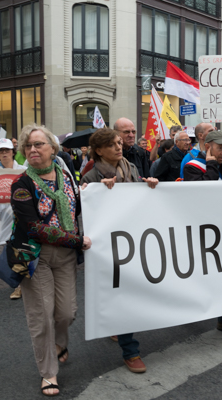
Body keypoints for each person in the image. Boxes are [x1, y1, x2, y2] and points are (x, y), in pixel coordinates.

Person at [9, 124, 92, 396]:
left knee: (67, 312)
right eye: (28, 146)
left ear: (53, 149)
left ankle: (60, 343)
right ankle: (48, 373)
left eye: (39, 144)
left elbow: (79, 206)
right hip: (36, 257)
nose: (33, 149)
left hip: (66, 255)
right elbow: (33, 228)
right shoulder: (21, 185)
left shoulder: (65, 176)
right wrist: (77, 241)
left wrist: (98, 190)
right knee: (41, 316)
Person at [80, 128, 158, 374]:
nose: (118, 147)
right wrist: (98, 193)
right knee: (122, 294)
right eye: (112, 144)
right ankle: (130, 351)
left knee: (129, 293)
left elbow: (140, 201)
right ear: (99, 150)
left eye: (118, 143)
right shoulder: (91, 176)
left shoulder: (131, 168)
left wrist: (151, 186)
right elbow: (83, 209)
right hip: (108, 247)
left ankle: (117, 325)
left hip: (134, 240)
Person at [182, 130, 222, 336]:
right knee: (199, 273)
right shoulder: (191, 166)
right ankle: (189, 306)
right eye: (220, 148)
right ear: (208, 147)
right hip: (201, 229)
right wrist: (213, 164)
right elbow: (203, 193)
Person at [0, 138, 27, 299]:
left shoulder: (23, 170)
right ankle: (18, 282)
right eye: (1, 151)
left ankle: (21, 285)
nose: (4, 153)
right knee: (9, 251)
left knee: (22, 248)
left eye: (7, 150)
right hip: (4, 217)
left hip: (22, 215)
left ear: (13, 152)